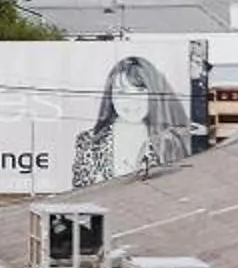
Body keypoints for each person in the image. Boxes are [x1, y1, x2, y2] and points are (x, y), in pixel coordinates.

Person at [71, 55, 190, 186]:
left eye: (140, 91)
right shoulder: (89, 142)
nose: (132, 101)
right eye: (122, 93)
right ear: (110, 96)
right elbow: (77, 196)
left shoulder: (171, 142)